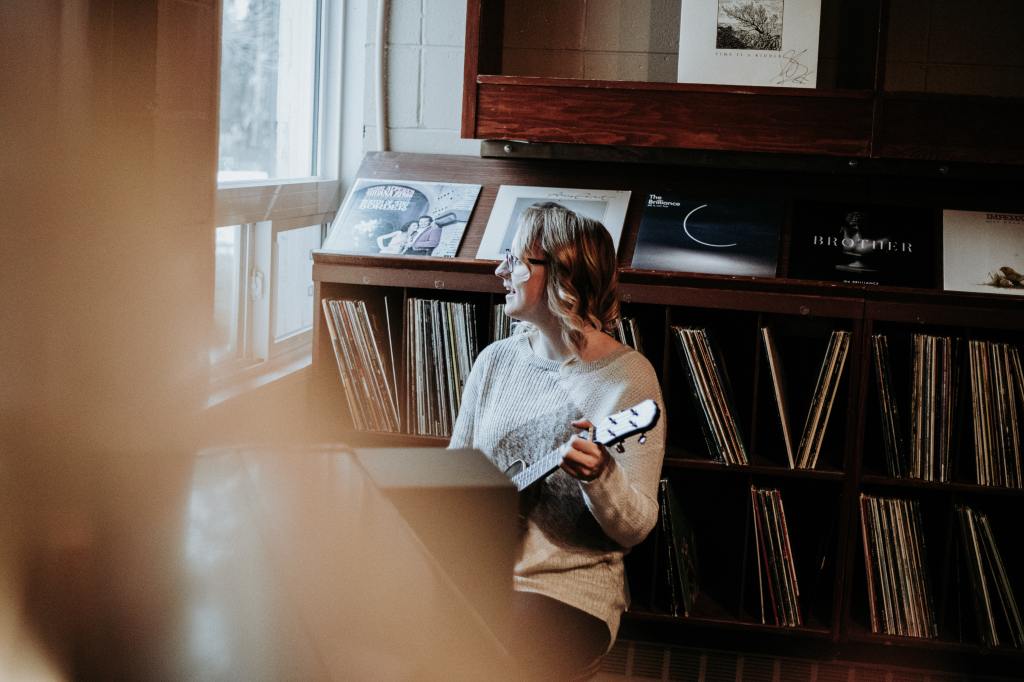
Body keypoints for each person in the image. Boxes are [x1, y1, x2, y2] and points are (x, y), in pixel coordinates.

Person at [449, 202, 666, 680]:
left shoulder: (629, 379)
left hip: (568, 592)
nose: (500, 270)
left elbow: (636, 527)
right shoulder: (495, 361)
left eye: (516, 260)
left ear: (563, 274)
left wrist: (601, 477)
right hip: (479, 575)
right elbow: (455, 474)